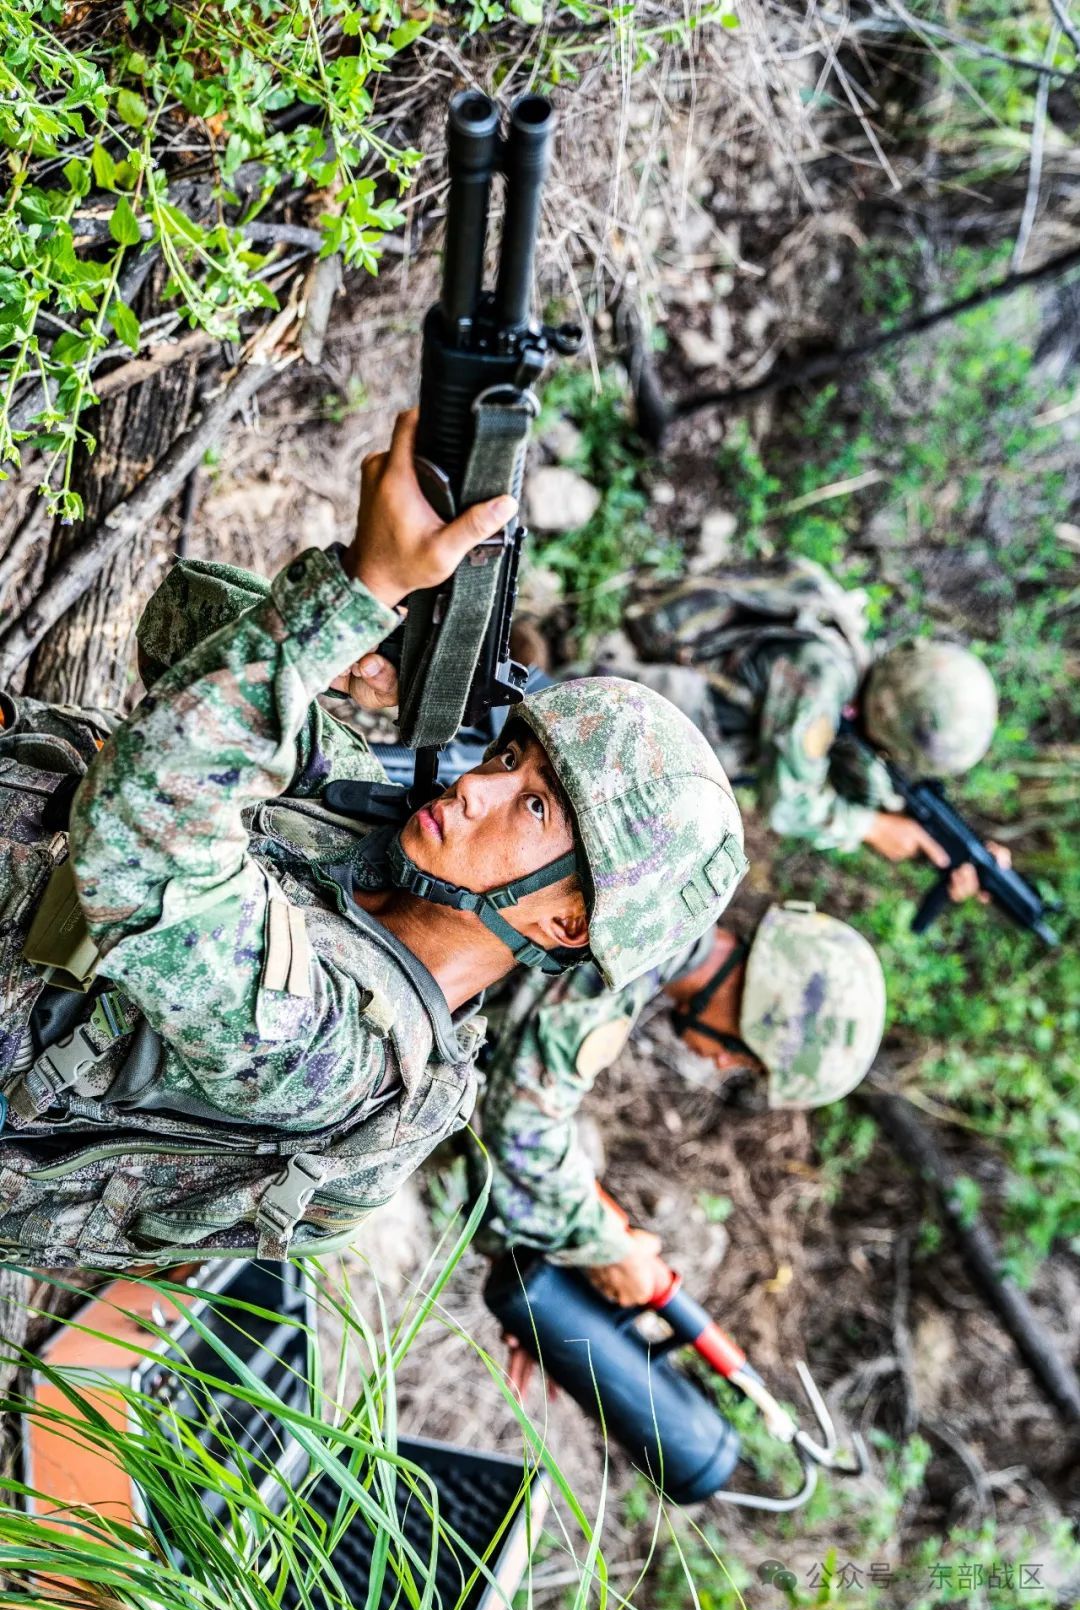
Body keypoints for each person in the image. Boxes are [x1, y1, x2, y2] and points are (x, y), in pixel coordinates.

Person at [0, 411, 746, 1268]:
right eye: (509, 757)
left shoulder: (335, 1055)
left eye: (534, 808)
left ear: (566, 925)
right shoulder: (384, 844)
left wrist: (353, 593)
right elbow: (178, 625)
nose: (477, 788)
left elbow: (143, 830)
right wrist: (358, 645)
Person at [471, 901, 886, 1338]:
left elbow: (494, 1080)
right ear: (764, 1009)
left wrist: (517, 1257)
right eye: (749, 1058)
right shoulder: (633, 952)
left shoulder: (665, 917)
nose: (725, 1063)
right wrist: (608, 1249)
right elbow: (521, 1123)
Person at [584, 562, 1011, 901]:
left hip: (643, 721)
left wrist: (940, 850)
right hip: (609, 705)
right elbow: (787, 804)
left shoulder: (855, 675)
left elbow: (860, 782)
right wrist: (871, 828)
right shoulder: (822, 675)